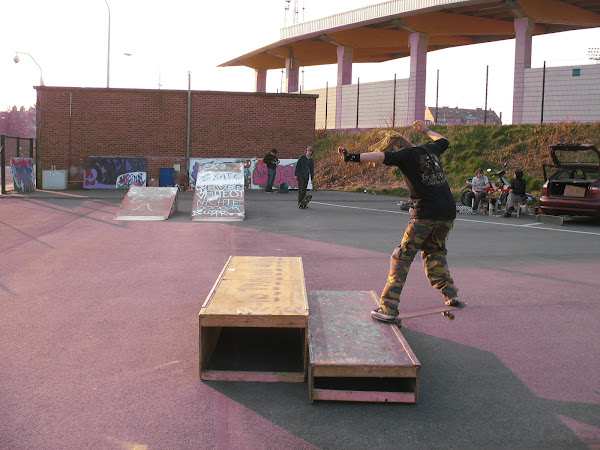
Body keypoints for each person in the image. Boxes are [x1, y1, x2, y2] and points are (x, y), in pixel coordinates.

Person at [338, 120, 461, 324]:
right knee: (434, 252)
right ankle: (451, 294)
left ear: (395, 147)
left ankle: (389, 307)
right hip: (447, 212)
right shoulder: (429, 149)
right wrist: (426, 130)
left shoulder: (404, 155)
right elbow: (444, 141)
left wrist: (351, 157)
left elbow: (380, 156)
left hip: (426, 213)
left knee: (401, 257)